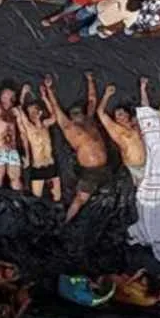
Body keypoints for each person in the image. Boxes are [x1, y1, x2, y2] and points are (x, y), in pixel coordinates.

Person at [42, 73, 111, 223]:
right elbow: (56, 109)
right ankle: (66, 222)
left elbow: (92, 100)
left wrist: (90, 80)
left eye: (78, 112)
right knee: (80, 198)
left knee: (106, 197)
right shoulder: (69, 128)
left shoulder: (90, 120)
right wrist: (49, 90)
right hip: (90, 171)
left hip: (105, 167)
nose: (77, 114)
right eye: (74, 113)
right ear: (71, 117)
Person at [13, 87, 60, 201]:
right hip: (38, 167)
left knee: (57, 198)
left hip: (51, 165)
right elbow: (18, 109)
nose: (32, 114)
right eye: (30, 113)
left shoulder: (45, 124)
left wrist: (45, 98)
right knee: (36, 199)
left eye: (34, 111)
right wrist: (23, 93)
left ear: (40, 112)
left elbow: (55, 116)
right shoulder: (29, 127)